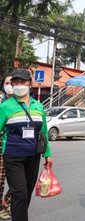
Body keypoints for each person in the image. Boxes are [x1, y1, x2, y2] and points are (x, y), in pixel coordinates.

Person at [0, 69, 53, 221]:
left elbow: (43, 133)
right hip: (12, 156)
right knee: (19, 192)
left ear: (30, 84)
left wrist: (47, 154)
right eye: (15, 82)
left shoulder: (38, 106)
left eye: (22, 82)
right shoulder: (6, 106)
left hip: (33, 156)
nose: (18, 85)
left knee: (27, 192)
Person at [0, 74, 13, 220]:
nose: (9, 85)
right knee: (0, 178)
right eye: (7, 82)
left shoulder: (23, 103)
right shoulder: (1, 102)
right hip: (1, 142)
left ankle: (7, 200)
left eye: (12, 82)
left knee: (20, 179)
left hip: (17, 144)